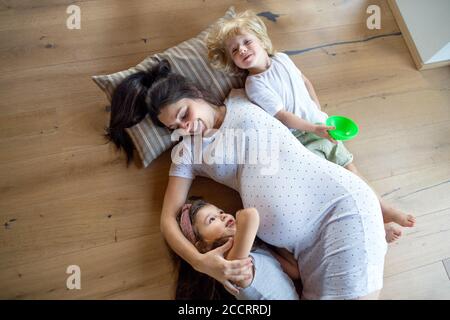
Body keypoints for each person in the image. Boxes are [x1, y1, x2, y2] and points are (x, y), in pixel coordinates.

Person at [107, 59, 388, 299]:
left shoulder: (241, 95)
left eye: (184, 114)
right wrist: (201, 263)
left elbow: (292, 75)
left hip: (337, 208)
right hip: (302, 251)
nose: (185, 126)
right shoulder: (187, 151)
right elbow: (168, 219)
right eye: (174, 126)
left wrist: (318, 117)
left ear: (194, 92)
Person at [206, 10, 415, 243]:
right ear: (232, 60)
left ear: (262, 41)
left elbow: (305, 81)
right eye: (235, 50)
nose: (242, 50)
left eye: (246, 42)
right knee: (339, 184)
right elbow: (283, 116)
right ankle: (376, 227)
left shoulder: (283, 59)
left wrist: (318, 112)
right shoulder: (254, 84)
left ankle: (381, 206)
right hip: (301, 140)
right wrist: (313, 129)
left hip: (321, 128)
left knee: (351, 169)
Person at [176, 199, 299, 300]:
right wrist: (241, 215)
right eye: (212, 219)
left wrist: (273, 238)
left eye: (220, 212)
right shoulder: (232, 264)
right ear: (203, 246)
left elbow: (294, 271)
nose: (223, 216)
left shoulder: (256, 250)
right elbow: (250, 215)